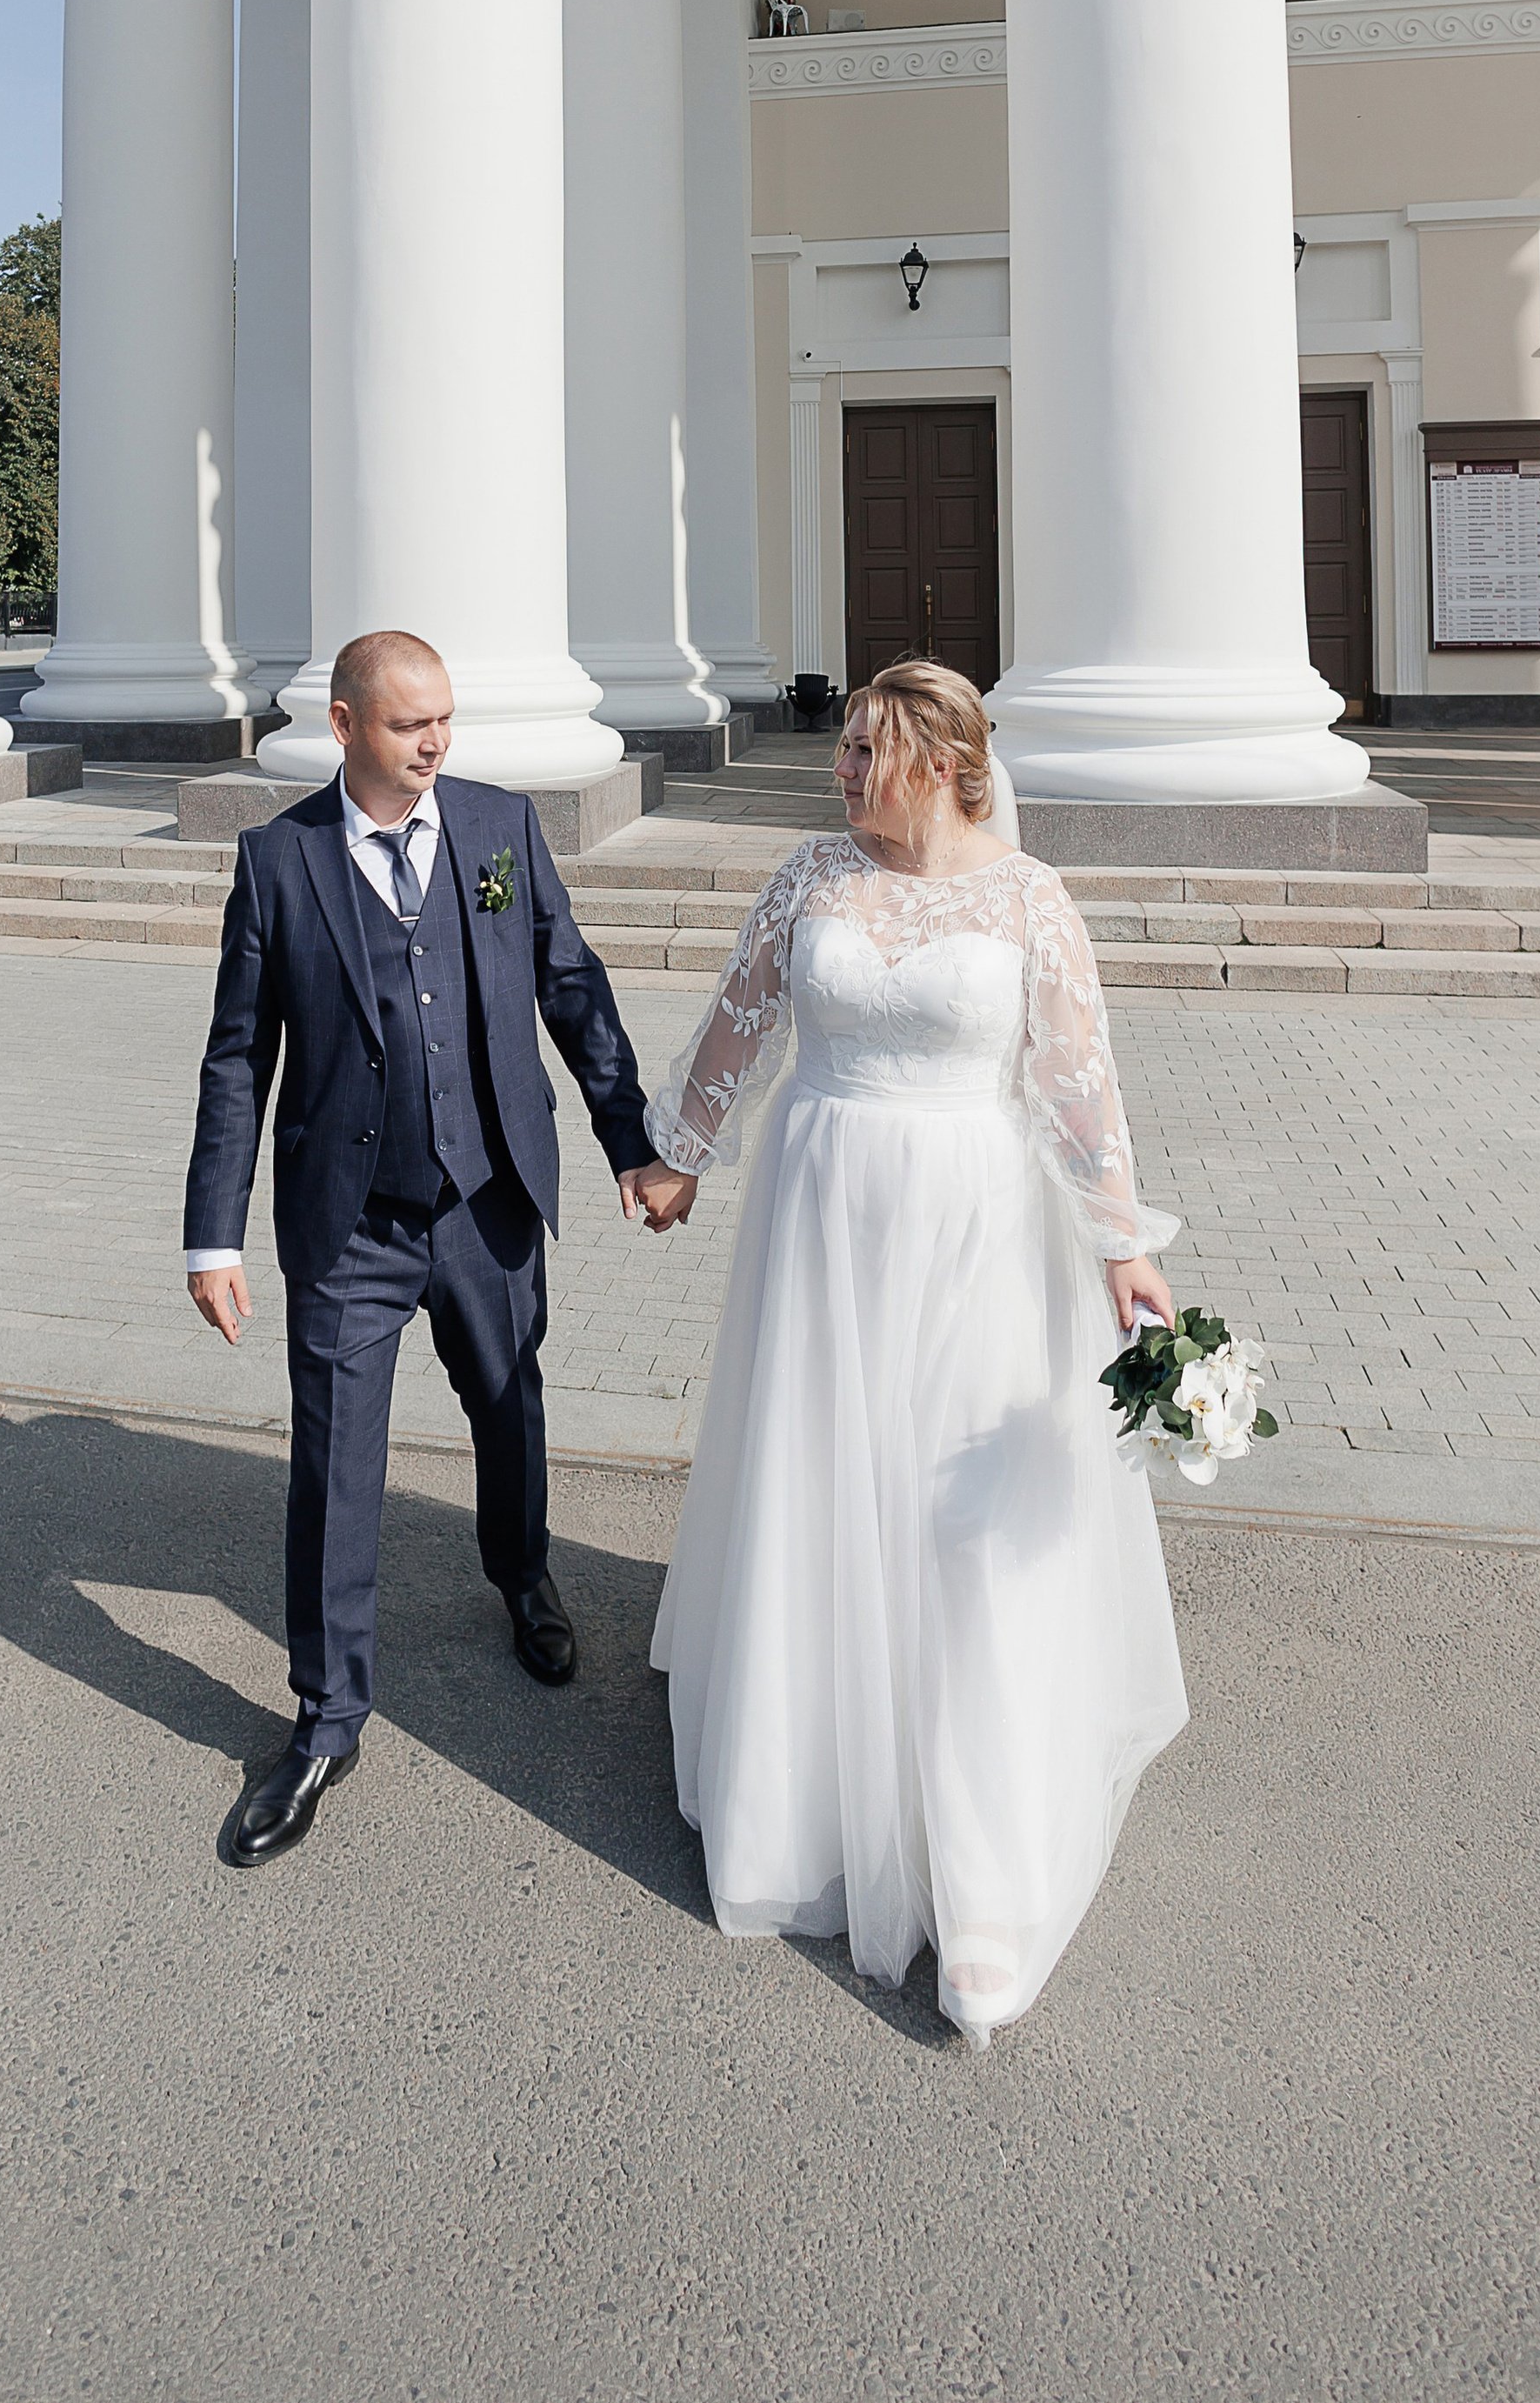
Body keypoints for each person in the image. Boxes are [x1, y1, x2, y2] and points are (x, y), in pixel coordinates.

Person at [630, 660, 1189, 2044]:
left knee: (960, 1528)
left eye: (870, 748)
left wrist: (1123, 1242)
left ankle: (983, 1884)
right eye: (846, 746)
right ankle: (806, 1796)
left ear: (944, 761)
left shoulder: (1026, 896)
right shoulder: (811, 875)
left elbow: (1076, 1078)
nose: (845, 768)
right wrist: (681, 1154)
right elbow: (740, 1018)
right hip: (820, 1221)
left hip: (974, 1238)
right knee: (824, 1495)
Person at [182, 630, 678, 1869]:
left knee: (510, 1405)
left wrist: (631, 1138)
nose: (437, 741)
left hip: (488, 1191)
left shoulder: (501, 829)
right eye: (412, 724)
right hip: (348, 1217)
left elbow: (572, 983)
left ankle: (521, 1574)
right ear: (345, 724)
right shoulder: (279, 860)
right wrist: (212, 1229)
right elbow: (238, 1057)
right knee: (336, 1460)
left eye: (446, 719)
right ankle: (326, 1716)